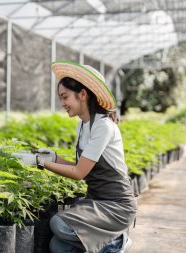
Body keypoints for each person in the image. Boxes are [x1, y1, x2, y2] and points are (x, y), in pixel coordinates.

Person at [13, 60, 137, 253]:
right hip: (96, 201)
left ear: (83, 94)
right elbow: (81, 166)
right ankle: (106, 246)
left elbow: (79, 173)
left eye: (65, 97)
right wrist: (53, 157)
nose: (62, 103)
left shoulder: (102, 126)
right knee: (57, 246)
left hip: (116, 206)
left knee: (59, 224)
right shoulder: (82, 125)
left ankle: (117, 241)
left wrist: (41, 163)